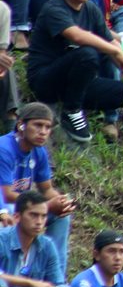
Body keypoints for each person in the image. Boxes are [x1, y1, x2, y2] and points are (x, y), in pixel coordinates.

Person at [26, 0, 123, 165]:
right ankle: (72, 111)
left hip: (79, 83)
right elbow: (77, 36)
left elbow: (109, 40)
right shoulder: (54, 9)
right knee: (87, 53)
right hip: (47, 81)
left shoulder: (91, 9)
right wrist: (115, 49)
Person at [0, 103, 75, 260]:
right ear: (21, 125)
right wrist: (45, 206)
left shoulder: (38, 151)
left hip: (21, 208)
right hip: (4, 209)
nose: (43, 132)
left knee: (61, 216)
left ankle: (56, 277)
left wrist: (60, 201)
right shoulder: (4, 148)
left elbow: (46, 189)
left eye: (47, 127)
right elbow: (6, 195)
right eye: (38, 125)